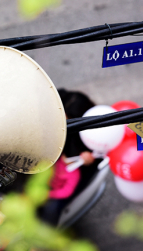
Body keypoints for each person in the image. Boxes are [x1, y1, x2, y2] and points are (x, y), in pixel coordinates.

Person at [38, 89, 96, 226]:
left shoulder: (86, 139)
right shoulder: (52, 106)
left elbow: (65, 191)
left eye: (68, 118)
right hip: (45, 170)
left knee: (51, 209)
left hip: (57, 186)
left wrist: (89, 160)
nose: (63, 120)